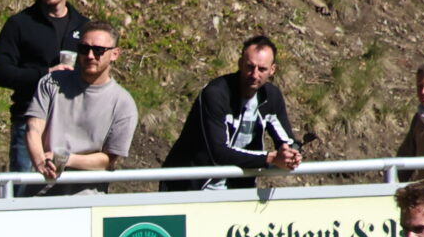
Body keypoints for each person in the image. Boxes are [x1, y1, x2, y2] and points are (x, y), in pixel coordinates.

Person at [0, 0, 92, 175]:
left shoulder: (84, 27)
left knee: (71, 196)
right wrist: (44, 74)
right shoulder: (20, 24)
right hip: (30, 122)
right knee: (24, 194)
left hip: (74, 123)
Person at [162, 37, 303, 192]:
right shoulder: (215, 94)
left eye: (262, 69)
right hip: (189, 186)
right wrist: (269, 158)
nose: (254, 74)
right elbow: (220, 153)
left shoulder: (271, 97)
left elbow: (288, 141)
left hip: (236, 189)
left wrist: (291, 154)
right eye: (250, 67)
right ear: (240, 63)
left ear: (272, 70)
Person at [22, 24, 137, 188]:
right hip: (39, 191)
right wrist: (40, 162)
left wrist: (68, 159)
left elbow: (108, 160)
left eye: (98, 50)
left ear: (115, 54)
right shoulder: (51, 82)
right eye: (84, 49)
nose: (90, 55)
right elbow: (33, 127)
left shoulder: (124, 104)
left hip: (87, 199)